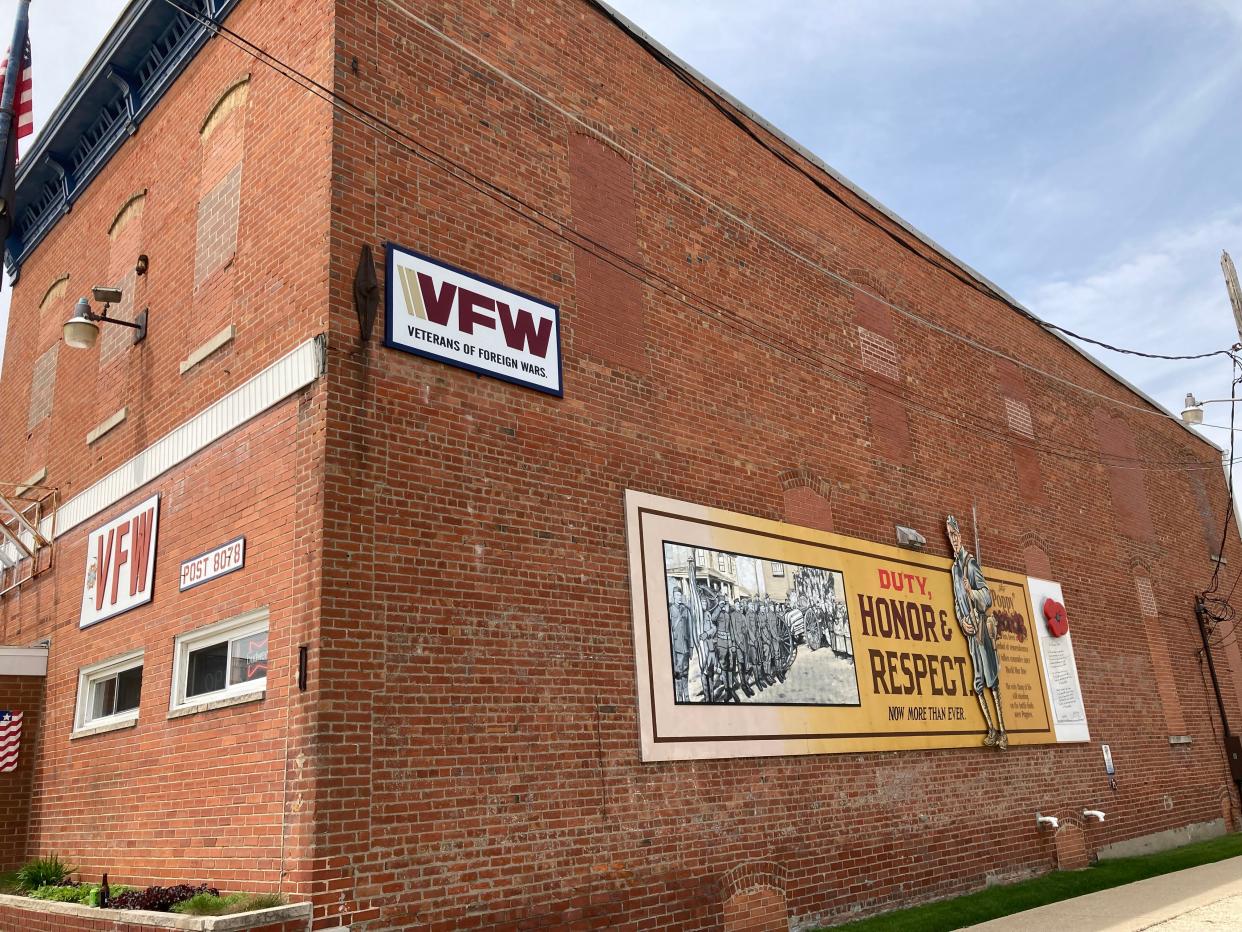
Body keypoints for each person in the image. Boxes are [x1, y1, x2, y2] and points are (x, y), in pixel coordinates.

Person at [947, 514, 1007, 750]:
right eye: (949, 535)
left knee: (992, 678)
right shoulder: (954, 570)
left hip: (981, 628)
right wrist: (962, 621)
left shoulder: (970, 564)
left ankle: (1003, 731)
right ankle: (991, 729)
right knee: (978, 682)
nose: (952, 539)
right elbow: (955, 601)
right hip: (970, 632)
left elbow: (987, 596)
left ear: (960, 536)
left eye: (954, 535)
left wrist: (971, 592)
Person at [668, 586, 694, 702]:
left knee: (685, 672)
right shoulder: (670, 610)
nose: (679, 597)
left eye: (680, 595)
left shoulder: (685, 610)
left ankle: (687, 696)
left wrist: (691, 646)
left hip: (685, 646)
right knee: (678, 673)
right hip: (676, 647)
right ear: (673, 596)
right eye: (677, 595)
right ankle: (679, 697)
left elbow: (690, 628)